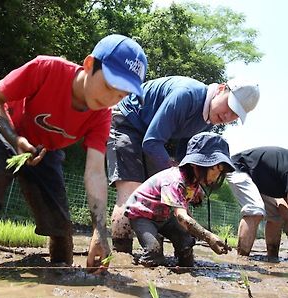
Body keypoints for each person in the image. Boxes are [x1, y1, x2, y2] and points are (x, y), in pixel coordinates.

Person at [0, 34, 147, 272]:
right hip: (5, 130)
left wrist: (100, 232)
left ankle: (57, 273)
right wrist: (15, 138)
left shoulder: (102, 116)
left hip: (45, 152)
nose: (109, 99)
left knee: (61, 229)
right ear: (90, 64)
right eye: (108, 86)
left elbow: (95, 172)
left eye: (121, 95)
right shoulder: (47, 68)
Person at [106, 75, 260, 253]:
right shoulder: (186, 95)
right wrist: (179, 183)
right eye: (230, 106)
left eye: (235, 114)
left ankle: (155, 255)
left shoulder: (208, 121)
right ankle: (121, 255)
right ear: (220, 89)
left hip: (151, 135)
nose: (227, 116)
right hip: (127, 121)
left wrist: (193, 185)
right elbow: (152, 142)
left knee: (160, 197)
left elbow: (186, 157)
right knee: (132, 192)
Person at [124, 132, 235, 267]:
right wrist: (208, 236)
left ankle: (183, 267)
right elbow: (181, 216)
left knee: (186, 244)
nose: (216, 176)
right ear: (195, 164)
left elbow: (185, 208)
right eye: (213, 168)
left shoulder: (194, 182)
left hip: (164, 216)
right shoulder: (175, 180)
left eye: (220, 171)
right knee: (154, 252)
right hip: (143, 215)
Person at [226, 146, 288, 260]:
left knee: (276, 216)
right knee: (255, 211)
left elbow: (283, 206)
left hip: (262, 180)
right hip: (239, 168)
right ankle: (241, 262)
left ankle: (272, 258)